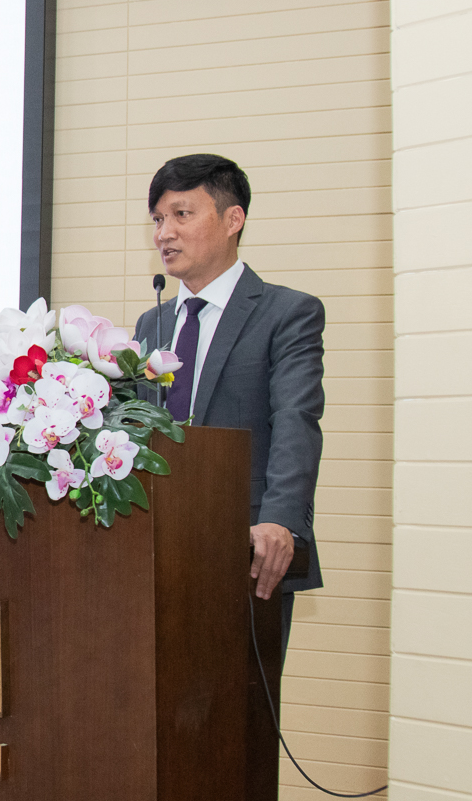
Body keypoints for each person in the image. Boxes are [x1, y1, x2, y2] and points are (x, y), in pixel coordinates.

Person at [132, 153, 324, 653]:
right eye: (158, 219)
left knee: (239, 701)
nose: (164, 233)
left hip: (247, 548)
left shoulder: (287, 313)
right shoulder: (152, 323)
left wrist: (281, 520)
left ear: (233, 218)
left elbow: (295, 420)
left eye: (181, 214)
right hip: (153, 550)